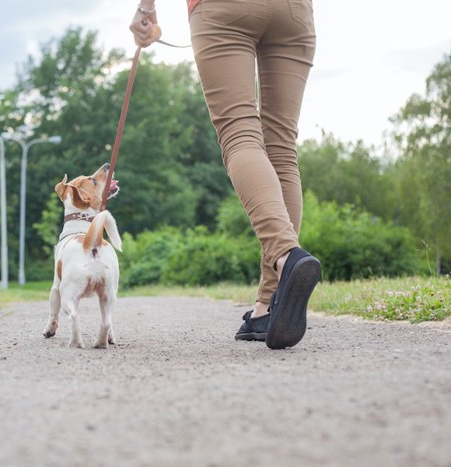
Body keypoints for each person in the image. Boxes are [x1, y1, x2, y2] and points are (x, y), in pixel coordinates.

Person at [130, 0, 321, 349]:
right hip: (294, 10)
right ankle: (266, 306)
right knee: (281, 147)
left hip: (223, 8)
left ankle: (285, 254)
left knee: (240, 133)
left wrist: (145, 9)